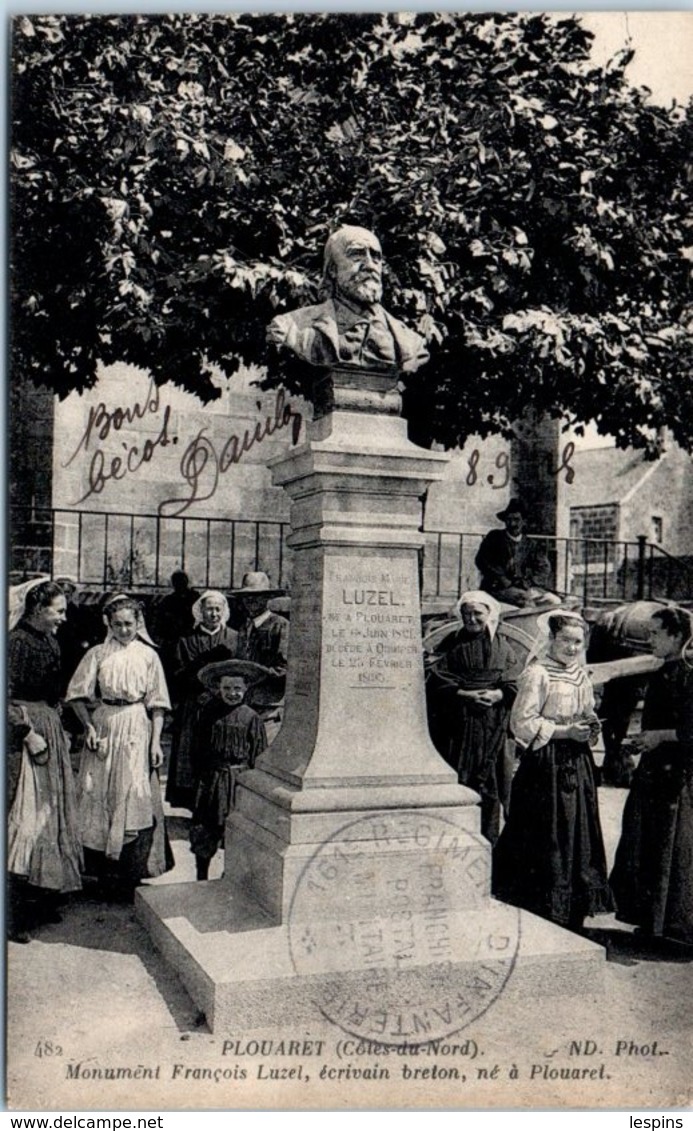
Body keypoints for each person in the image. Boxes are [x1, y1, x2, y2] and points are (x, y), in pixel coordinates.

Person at [493, 611, 613, 931]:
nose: (572, 648)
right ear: (551, 640)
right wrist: (563, 733)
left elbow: (586, 712)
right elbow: (521, 723)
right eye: (565, 640)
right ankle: (541, 907)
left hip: (578, 760)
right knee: (549, 829)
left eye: (578, 641)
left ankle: (572, 911)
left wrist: (590, 727)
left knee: (578, 828)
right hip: (546, 762)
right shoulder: (537, 674)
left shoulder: (579, 675)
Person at [65, 594, 173, 898]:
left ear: (138, 623)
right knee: (98, 794)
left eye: (129, 623)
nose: (124, 630)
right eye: (117, 624)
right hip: (104, 724)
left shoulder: (149, 656)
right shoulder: (98, 654)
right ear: (108, 624)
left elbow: (158, 705)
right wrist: (88, 726)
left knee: (132, 794)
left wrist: (156, 743)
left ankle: (131, 874)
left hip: (136, 723)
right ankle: (100, 873)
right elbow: (76, 695)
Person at [610, 607, 693, 944]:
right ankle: (653, 922)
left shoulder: (690, 674)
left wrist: (659, 737)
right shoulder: (662, 672)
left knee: (677, 846)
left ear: (676, 636)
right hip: (655, 771)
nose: (649, 639)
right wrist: (643, 742)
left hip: (681, 777)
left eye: (656, 633)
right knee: (649, 842)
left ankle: (678, 926)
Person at [8, 579, 83, 939]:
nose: (63, 618)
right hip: (20, 737)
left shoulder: (49, 641)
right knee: (24, 818)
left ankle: (41, 899)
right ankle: (13, 915)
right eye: (59, 610)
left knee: (50, 817)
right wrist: (27, 734)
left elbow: (54, 694)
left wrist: (58, 727)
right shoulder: (15, 642)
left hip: (47, 727)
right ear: (38, 609)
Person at [267, 225, 429, 373]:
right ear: (332, 270)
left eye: (376, 257)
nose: (370, 265)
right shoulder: (292, 327)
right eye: (357, 255)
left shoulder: (411, 343)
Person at [427, 591, 520, 844]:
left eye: (477, 613)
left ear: (489, 615)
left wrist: (497, 695)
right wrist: (465, 694)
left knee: (490, 783)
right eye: (466, 613)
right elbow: (436, 680)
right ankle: (455, 839)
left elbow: (514, 682)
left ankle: (488, 841)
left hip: (493, 724)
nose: (472, 618)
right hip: (460, 724)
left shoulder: (503, 646)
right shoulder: (451, 644)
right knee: (460, 777)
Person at [189, 659, 269, 881]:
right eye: (226, 688)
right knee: (204, 830)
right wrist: (200, 781)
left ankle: (231, 878)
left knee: (236, 832)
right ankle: (201, 876)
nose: (232, 693)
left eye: (237, 689)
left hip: (238, 782)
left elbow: (258, 756)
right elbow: (196, 750)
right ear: (218, 688)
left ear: (245, 689)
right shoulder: (207, 713)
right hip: (211, 781)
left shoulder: (251, 718)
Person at [165, 590, 239, 811]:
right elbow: (177, 674)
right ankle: (193, 809)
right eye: (209, 608)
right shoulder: (186, 640)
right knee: (192, 756)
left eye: (218, 609)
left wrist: (217, 692)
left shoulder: (234, 638)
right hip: (194, 707)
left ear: (224, 611)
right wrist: (198, 690)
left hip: (224, 707)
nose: (213, 613)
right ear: (200, 611)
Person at [232, 572, 289, 745]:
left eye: (256, 597)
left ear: (267, 598)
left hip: (268, 706)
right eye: (246, 597)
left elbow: (283, 669)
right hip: (245, 703)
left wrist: (254, 675)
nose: (250, 601)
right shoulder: (244, 628)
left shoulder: (280, 625)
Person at [475, 499, 560, 608]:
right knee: (525, 601)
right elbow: (482, 561)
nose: (512, 524)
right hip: (497, 588)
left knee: (554, 601)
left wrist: (530, 582)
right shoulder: (494, 538)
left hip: (526, 588)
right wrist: (503, 580)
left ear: (524, 521)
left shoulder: (531, 544)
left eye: (516, 520)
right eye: (509, 520)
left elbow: (543, 567)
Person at [152, 571, 200, 684]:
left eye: (182, 581)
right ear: (173, 584)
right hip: (172, 642)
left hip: (191, 639)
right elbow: (159, 623)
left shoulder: (194, 599)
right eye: (177, 582)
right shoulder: (168, 601)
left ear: (186, 582)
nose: (180, 584)